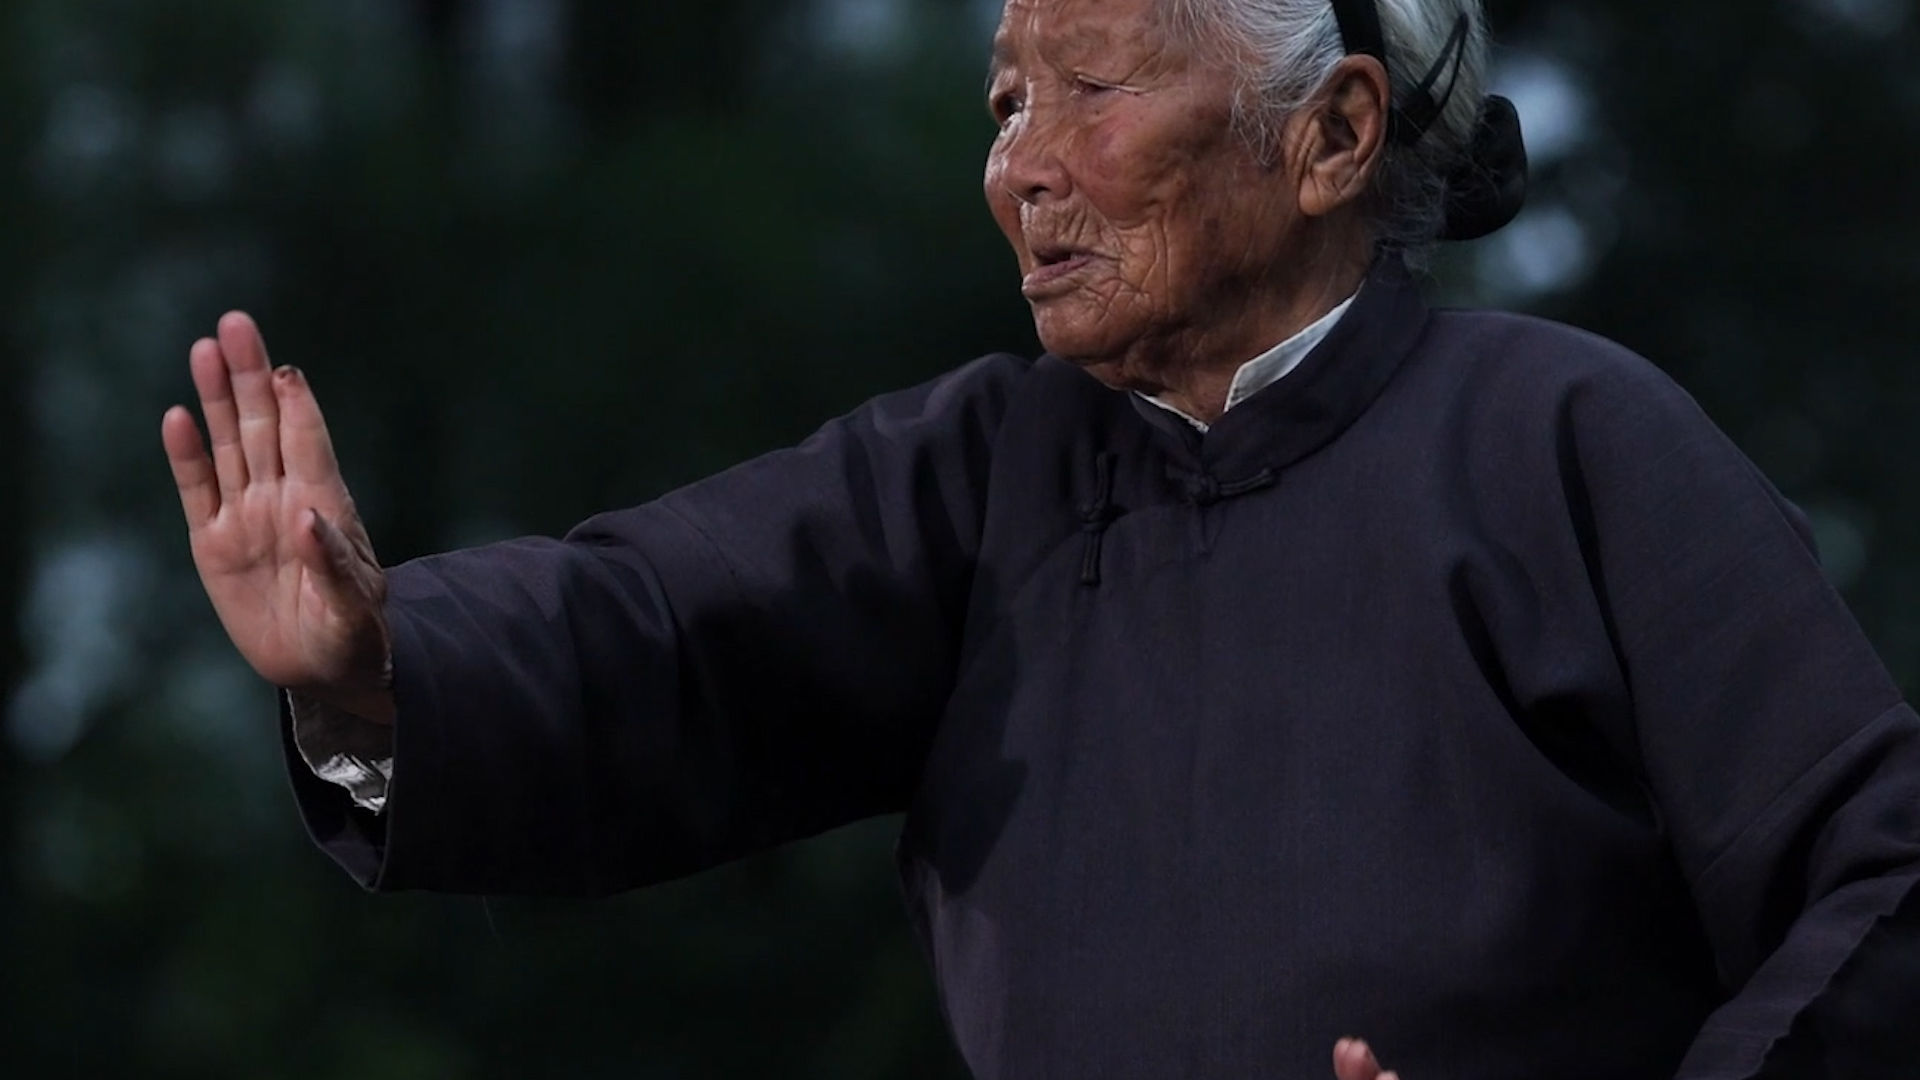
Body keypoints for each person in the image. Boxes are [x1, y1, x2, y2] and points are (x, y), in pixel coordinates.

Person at [161, 0, 1920, 1076]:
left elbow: (1880, 870)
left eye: (1089, 86)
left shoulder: (1573, 440)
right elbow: (668, 627)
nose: (1022, 165)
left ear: (1333, 135)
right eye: (1006, 100)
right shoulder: (984, 474)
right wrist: (377, 674)